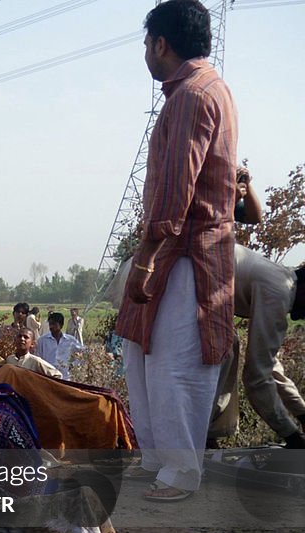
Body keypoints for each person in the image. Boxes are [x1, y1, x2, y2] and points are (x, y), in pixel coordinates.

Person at [116, 0, 238, 502]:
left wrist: (145, 255)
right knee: (140, 353)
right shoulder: (202, 90)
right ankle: (158, 461)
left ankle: (183, 472)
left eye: (146, 43)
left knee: (174, 364)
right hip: (177, 249)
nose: (145, 53)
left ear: (161, 44)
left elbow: (174, 189)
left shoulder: (191, 95)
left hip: (187, 253)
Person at [208, 245, 305, 449]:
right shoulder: (278, 292)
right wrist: (292, 435)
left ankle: (205, 435)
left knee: (228, 342)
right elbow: (257, 377)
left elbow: (269, 365)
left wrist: (301, 412)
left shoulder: (282, 280)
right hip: (180, 285)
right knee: (224, 346)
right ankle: (202, 436)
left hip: (196, 286)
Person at [37, 312, 82, 379]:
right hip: (48, 377)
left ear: (61, 325)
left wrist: (73, 365)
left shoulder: (70, 340)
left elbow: (81, 354)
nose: (51, 326)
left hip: (66, 377)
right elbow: (38, 358)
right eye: (50, 324)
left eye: (54, 324)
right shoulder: (42, 340)